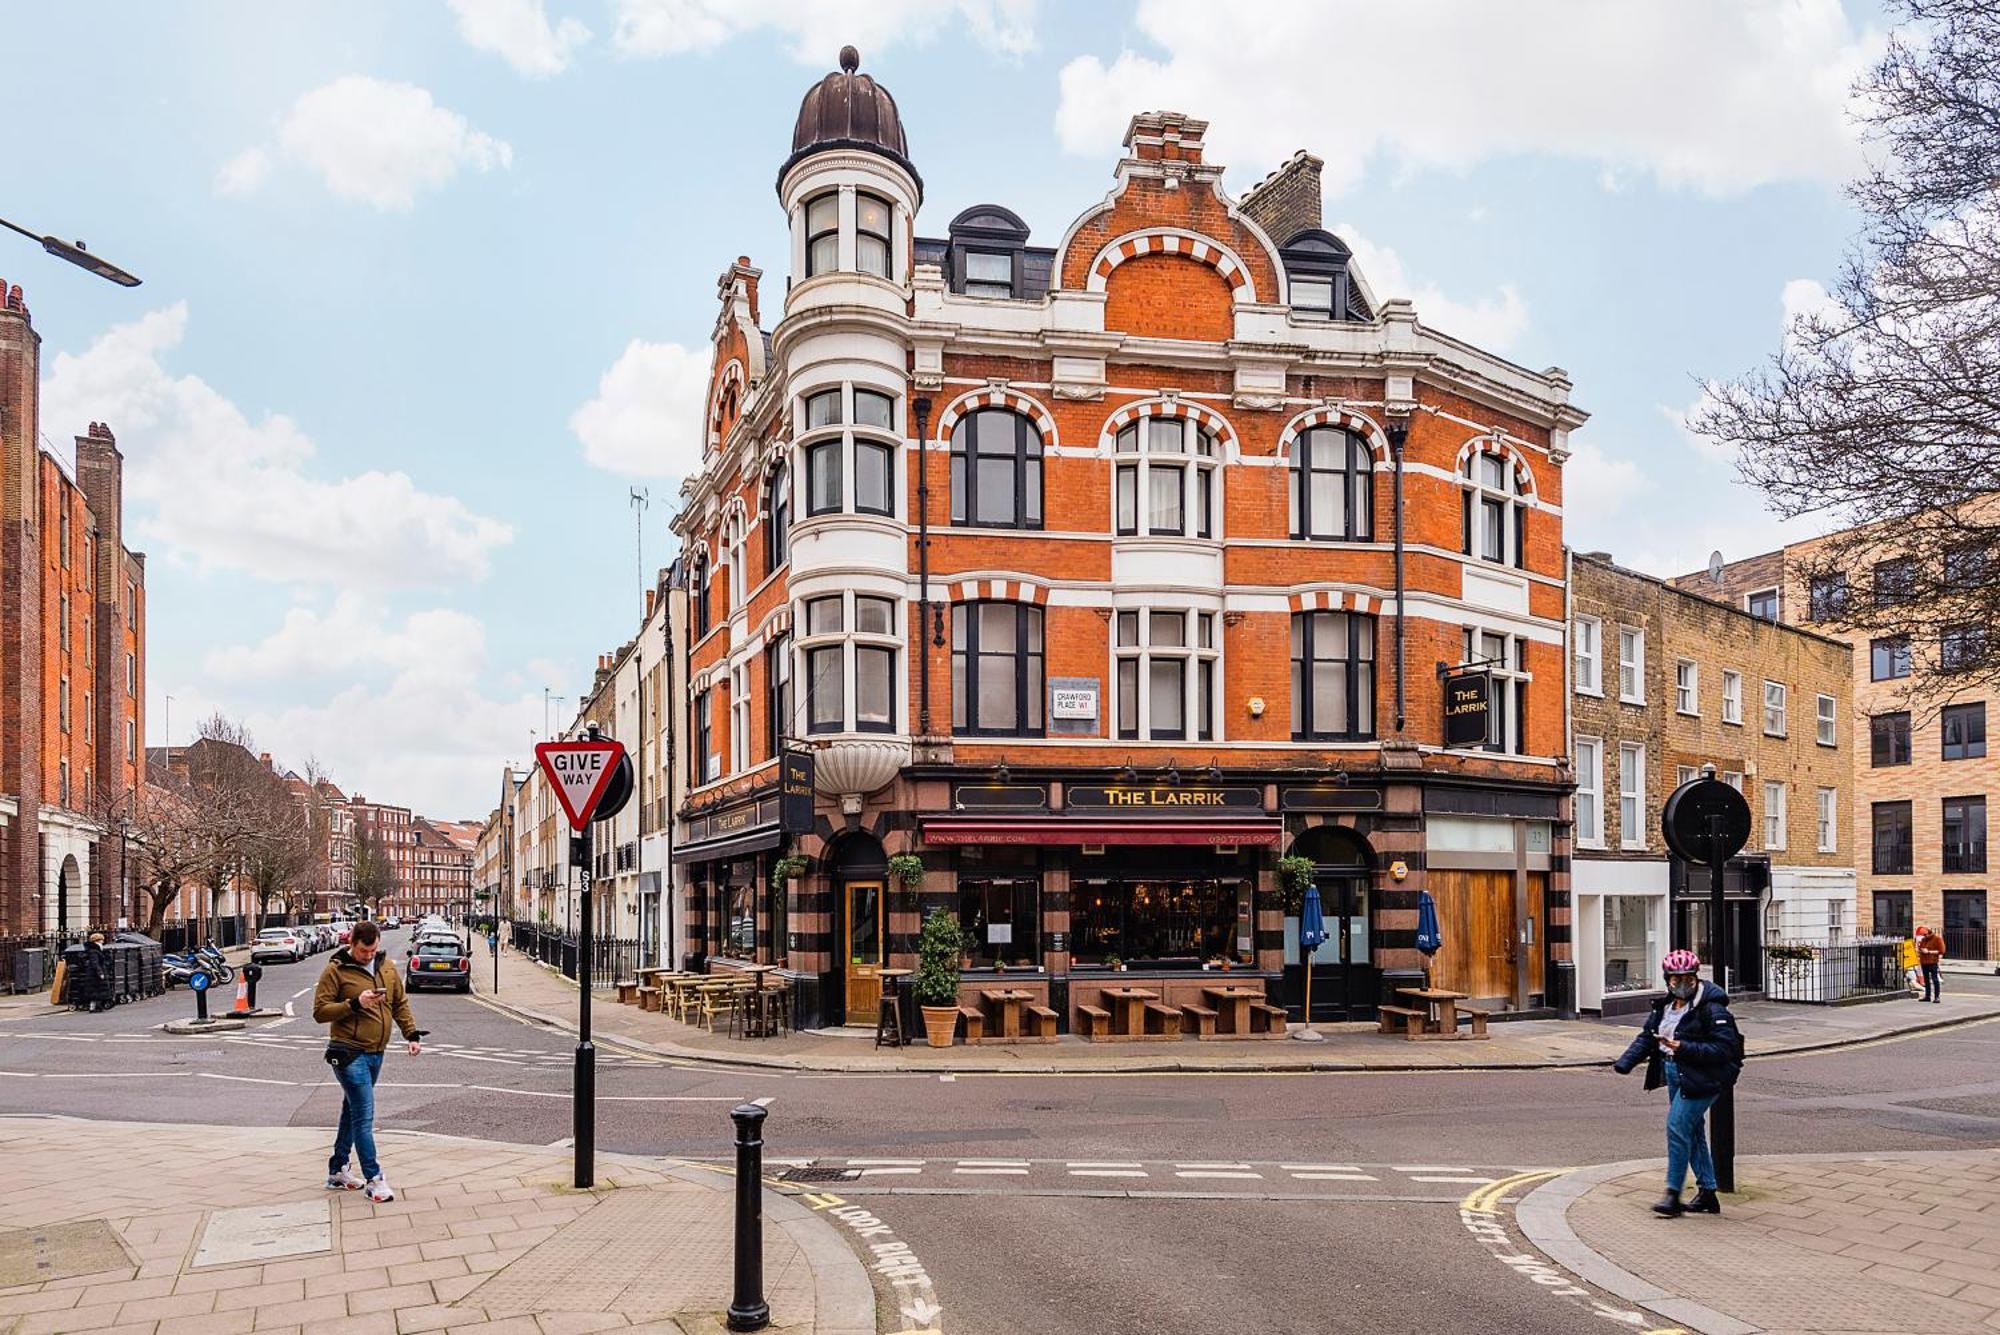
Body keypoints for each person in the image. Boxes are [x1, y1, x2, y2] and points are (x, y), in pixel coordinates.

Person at [1612, 949, 1745, 1218]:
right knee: (1693, 1132)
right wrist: (1624, 1063)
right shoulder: (1665, 1006)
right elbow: (1648, 1036)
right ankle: (1708, 1193)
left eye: (1687, 979)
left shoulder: (1713, 1008)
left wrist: (1683, 1046)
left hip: (1705, 1077)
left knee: (1676, 1128)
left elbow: (1724, 1049)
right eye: (1675, 980)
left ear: (1695, 977)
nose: (1681, 984)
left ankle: (1672, 1195)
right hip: (1676, 1073)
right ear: (1667, 980)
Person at [312, 921, 423, 1201]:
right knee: (363, 1115)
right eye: (364, 951)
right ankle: (374, 1179)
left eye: (373, 950)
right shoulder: (335, 970)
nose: (369, 955)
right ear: (352, 944)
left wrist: (411, 1033)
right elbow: (321, 1012)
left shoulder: (385, 967)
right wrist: (355, 1003)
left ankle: (337, 1170)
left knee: (351, 1110)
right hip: (348, 1051)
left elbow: (399, 1002)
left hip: (377, 1052)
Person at [1915, 925, 1946, 1003]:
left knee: (1935, 979)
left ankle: (1937, 997)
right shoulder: (1923, 940)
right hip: (1924, 962)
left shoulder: (1937, 939)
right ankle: (1927, 996)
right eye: (1923, 935)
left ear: (1928, 933)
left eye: (1925, 935)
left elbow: (1941, 951)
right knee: (1926, 980)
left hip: (1932, 962)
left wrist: (1929, 951)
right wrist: (1920, 950)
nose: (1924, 937)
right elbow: (1920, 948)